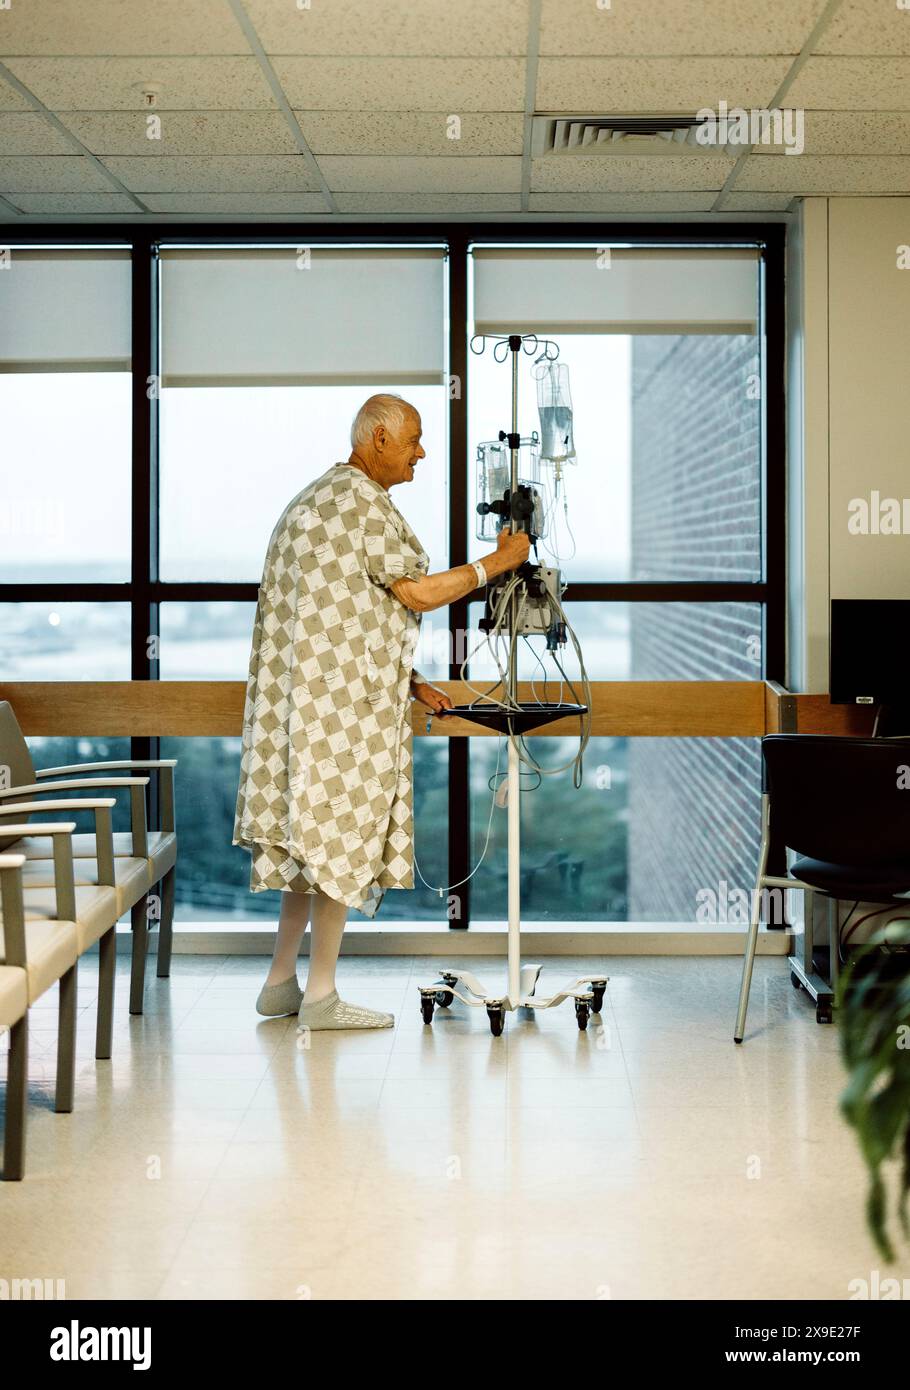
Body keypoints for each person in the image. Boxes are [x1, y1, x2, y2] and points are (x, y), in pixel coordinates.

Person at [233, 393, 530, 1030]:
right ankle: (320, 997)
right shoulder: (360, 503)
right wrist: (499, 563)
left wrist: (413, 678)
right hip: (338, 717)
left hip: (299, 709)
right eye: (413, 440)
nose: (422, 453)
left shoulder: (312, 502)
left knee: (304, 847)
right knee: (337, 842)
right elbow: (417, 594)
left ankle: (280, 981)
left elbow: (337, 617)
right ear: (376, 440)